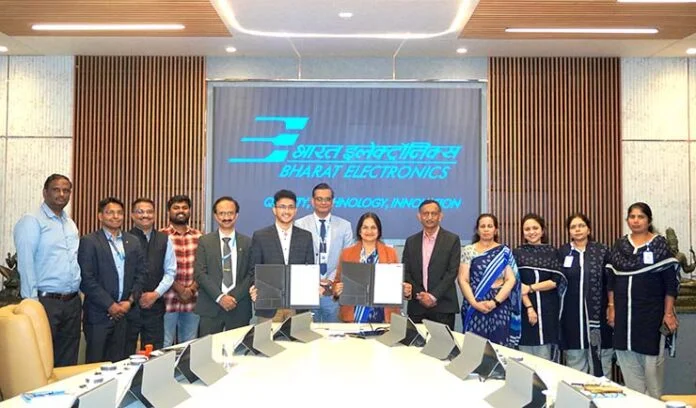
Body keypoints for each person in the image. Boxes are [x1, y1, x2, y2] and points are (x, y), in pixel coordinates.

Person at [606, 202, 680, 398]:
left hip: (651, 316)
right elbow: (611, 280)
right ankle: (635, 400)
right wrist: (611, 307)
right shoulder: (620, 245)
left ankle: (653, 402)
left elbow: (670, 284)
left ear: (649, 220)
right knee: (627, 363)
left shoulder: (659, 245)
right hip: (624, 317)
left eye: (641, 217)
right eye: (632, 217)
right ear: (627, 220)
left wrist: (668, 313)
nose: (636, 220)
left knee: (652, 368)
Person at [13, 174, 82, 366]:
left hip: (72, 302)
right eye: (56, 190)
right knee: (41, 360)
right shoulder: (31, 221)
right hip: (45, 302)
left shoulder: (69, 223)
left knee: (67, 360)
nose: (61, 194)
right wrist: (31, 303)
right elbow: (25, 262)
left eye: (66, 190)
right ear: (45, 192)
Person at [78, 197, 147, 363]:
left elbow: (141, 274)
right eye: (110, 213)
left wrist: (129, 302)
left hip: (127, 314)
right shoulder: (89, 241)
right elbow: (86, 279)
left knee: (124, 363)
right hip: (99, 315)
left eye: (119, 213)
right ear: (100, 216)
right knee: (96, 365)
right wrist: (110, 305)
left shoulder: (133, 241)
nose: (115, 216)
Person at [558, 213, 613, 377]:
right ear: (569, 231)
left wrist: (611, 306)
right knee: (575, 365)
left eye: (581, 226)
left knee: (602, 366)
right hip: (572, 319)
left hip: (599, 319)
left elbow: (611, 282)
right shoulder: (563, 252)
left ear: (588, 229)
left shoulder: (602, 251)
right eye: (573, 227)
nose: (577, 229)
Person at [249, 189, 315, 322]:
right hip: (269, 306)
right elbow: (253, 269)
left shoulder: (306, 236)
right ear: (274, 209)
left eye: (291, 207)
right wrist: (254, 287)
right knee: (267, 336)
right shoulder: (260, 236)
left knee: (299, 336)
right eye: (282, 207)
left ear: (296, 210)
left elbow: (309, 268)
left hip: (298, 306)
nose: (287, 211)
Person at [458, 213, 521, 347]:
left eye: (490, 226)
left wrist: (495, 302)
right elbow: (463, 280)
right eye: (483, 226)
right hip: (474, 302)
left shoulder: (504, 252)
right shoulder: (468, 250)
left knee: (499, 347)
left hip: (499, 304)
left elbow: (510, 280)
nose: (486, 229)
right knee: (474, 347)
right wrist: (474, 303)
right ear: (477, 230)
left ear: (496, 230)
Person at [295, 183, 353, 322]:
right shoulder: (299, 224)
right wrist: (313, 280)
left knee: (333, 332)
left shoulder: (345, 226)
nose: (323, 203)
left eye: (327, 199)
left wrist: (331, 280)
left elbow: (348, 258)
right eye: (319, 199)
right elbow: (297, 259)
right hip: (307, 290)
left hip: (333, 291)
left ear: (332, 202)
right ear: (312, 201)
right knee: (307, 332)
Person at [195, 197, 253, 334]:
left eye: (230, 213)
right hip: (211, 306)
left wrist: (233, 297)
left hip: (238, 306)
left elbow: (251, 273)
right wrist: (220, 297)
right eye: (222, 213)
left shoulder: (248, 242)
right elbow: (200, 273)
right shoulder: (204, 241)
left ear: (236, 215)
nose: (226, 217)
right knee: (208, 347)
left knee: (238, 347)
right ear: (215, 216)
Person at [125, 198, 177, 351]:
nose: (145, 215)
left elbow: (170, 271)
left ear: (154, 215)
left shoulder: (164, 239)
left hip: (155, 304)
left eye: (149, 212)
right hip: (129, 305)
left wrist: (155, 294)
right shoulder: (124, 239)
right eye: (140, 212)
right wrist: (133, 297)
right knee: (125, 350)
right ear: (132, 215)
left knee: (154, 352)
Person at [333, 212, 404, 323]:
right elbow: (337, 282)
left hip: (382, 315)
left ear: (379, 231)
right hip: (354, 316)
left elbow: (396, 284)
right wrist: (336, 290)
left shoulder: (390, 253)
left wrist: (403, 289)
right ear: (359, 231)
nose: (369, 231)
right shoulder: (347, 253)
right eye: (365, 227)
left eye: (373, 228)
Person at [513, 213, 566, 361]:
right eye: (527, 229)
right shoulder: (517, 253)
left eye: (535, 228)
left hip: (549, 309)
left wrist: (531, 288)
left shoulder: (552, 252)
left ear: (542, 231)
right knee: (525, 357)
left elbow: (555, 281)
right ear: (523, 232)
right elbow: (516, 283)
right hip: (524, 308)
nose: (531, 232)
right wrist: (529, 307)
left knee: (545, 356)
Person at [402, 199, 461, 330]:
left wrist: (433, 296)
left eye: (433, 214)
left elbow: (452, 272)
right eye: (425, 213)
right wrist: (420, 295)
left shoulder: (452, 240)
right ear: (419, 216)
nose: (429, 217)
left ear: (440, 216)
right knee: (415, 343)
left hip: (443, 305)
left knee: (443, 343)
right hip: (417, 306)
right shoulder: (411, 241)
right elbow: (406, 271)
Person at [160, 195, 203, 347]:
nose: (181, 211)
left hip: (193, 300)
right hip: (167, 300)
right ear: (169, 211)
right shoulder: (160, 236)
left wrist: (191, 290)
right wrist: (180, 289)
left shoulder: (200, 236)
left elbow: (204, 267)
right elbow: (157, 268)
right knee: (165, 344)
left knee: (189, 345)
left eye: (184, 208)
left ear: (189, 211)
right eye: (176, 208)